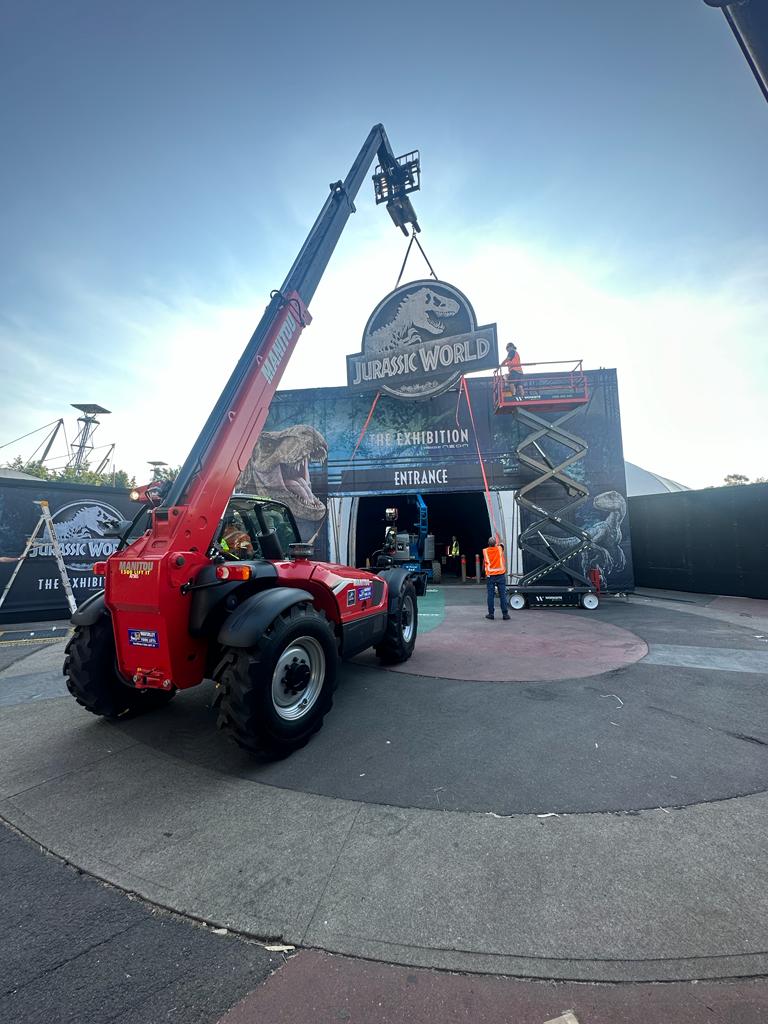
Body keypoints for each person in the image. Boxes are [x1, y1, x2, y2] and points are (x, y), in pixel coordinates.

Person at [482, 536, 509, 620]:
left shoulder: (485, 551)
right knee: (503, 595)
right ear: (495, 544)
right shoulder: (499, 549)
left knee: (490, 595)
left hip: (490, 576)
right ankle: (505, 614)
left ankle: (491, 614)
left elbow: (484, 563)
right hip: (500, 575)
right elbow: (502, 544)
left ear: (488, 544)